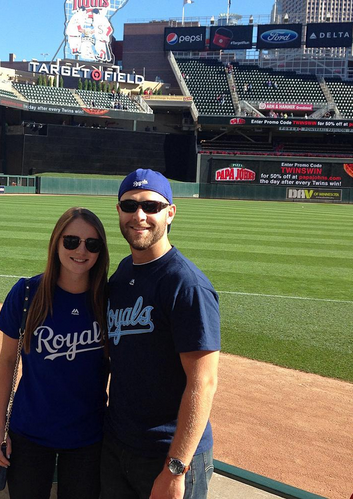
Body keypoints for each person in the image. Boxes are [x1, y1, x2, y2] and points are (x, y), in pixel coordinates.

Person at [101, 168, 221, 499]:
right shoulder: (124, 271)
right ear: (119, 211)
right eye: (130, 205)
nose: (139, 215)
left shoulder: (185, 284)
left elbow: (203, 382)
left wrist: (176, 467)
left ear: (170, 213)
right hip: (118, 446)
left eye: (151, 206)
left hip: (167, 455)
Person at [0, 207, 110, 499]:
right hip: (29, 434)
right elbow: (7, 362)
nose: (81, 250)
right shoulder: (28, 293)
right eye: (71, 241)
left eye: (91, 244)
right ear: (56, 242)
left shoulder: (108, 299)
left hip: (88, 438)